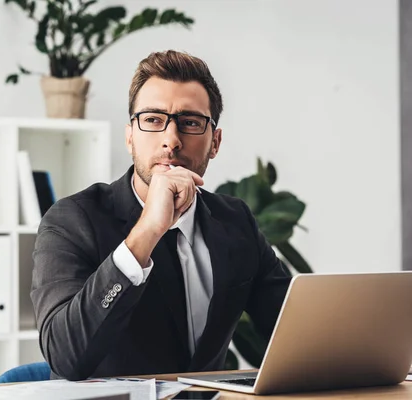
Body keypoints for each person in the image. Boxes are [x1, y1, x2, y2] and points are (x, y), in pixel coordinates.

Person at [30, 49, 292, 381]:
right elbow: (65, 356)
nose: (171, 139)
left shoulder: (235, 220)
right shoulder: (72, 220)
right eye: (153, 120)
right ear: (130, 137)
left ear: (215, 142)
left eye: (191, 123)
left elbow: (292, 332)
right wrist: (148, 231)